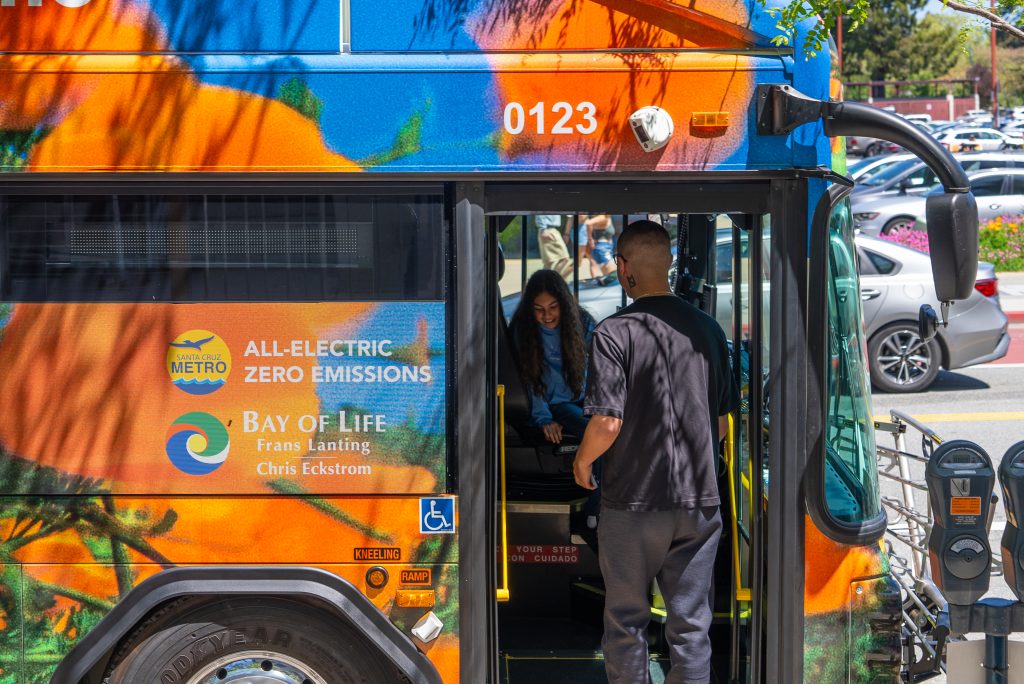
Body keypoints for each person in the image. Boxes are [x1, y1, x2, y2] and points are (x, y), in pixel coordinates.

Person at [572, 220, 738, 684]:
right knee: (690, 628)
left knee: (626, 622)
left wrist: (583, 462)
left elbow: (607, 422)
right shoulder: (708, 330)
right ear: (670, 263)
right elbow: (722, 424)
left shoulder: (613, 332)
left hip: (633, 506)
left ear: (623, 268)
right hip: (699, 504)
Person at [509, 269, 596, 444]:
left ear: (564, 304)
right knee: (593, 433)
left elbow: (601, 368)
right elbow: (528, 380)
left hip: (586, 401)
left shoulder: (583, 321)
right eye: (538, 309)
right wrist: (544, 420)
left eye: (553, 307)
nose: (547, 315)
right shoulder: (523, 330)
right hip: (555, 405)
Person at [535, 215, 574, 279]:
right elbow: (540, 211)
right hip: (548, 230)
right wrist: (542, 228)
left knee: (548, 263)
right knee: (564, 258)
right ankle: (551, 281)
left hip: (550, 229)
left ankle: (544, 283)